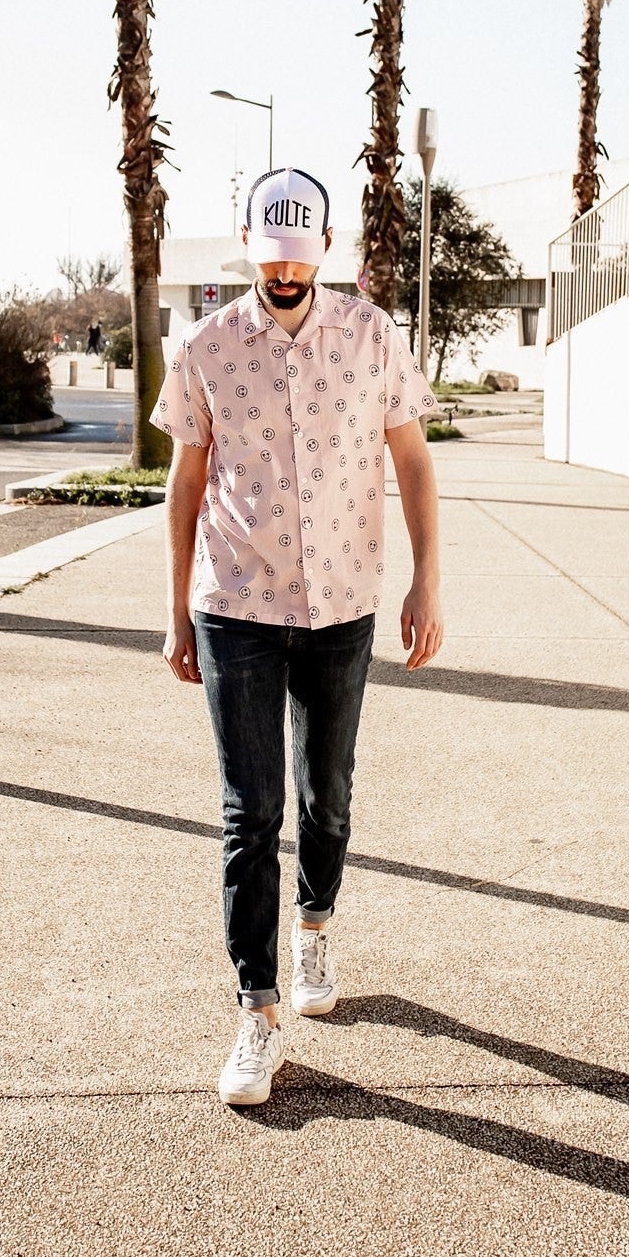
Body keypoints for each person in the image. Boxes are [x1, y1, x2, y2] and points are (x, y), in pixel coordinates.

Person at [154, 164, 442, 1106]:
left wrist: (424, 578)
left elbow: (411, 464)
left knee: (327, 795)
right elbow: (187, 486)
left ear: (322, 251)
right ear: (249, 247)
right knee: (250, 814)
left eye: (299, 259)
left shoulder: (371, 337)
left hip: (343, 605)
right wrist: (173, 611)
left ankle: (313, 929)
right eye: (269, 258)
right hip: (234, 604)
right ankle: (256, 1010)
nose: (283, 275)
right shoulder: (204, 347)